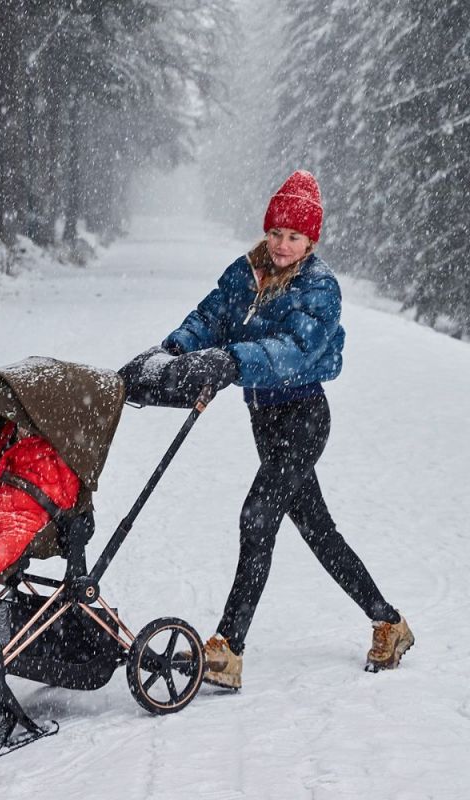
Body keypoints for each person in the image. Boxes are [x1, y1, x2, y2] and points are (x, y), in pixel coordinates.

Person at [119, 170, 413, 690]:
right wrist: (173, 352)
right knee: (319, 531)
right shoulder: (245, 271)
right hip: (265, 419)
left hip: (303, 417)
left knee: (258, 517)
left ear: (311, 241)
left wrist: (231, 363)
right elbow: (209, 318)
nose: (281, 245)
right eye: (276, 232)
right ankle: (389, 621)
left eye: (294, 237)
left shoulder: (320, 288)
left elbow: (295, 353)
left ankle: (227, 650)